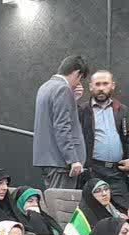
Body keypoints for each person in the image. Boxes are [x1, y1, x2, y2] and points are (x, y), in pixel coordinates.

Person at [34, 55, 90, 190]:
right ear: (77, 73)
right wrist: (73, 159)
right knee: (61, 202)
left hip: (48, 160)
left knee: (53, 200)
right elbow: (62, 127)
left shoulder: (45, 87)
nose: (78, 84)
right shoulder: (63, 89)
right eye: (80, 79)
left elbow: (53, 119)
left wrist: (73, 99)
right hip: (62, 163)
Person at [78, 70, 129, 209]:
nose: (101, 88)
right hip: (93, 171)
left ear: (112, 85)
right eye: (97, 84)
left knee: (125, 210)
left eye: (105, 84)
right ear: (90, 86)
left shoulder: (123, 110)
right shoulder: (82, 110)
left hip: (118, 172)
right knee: (94, 212)